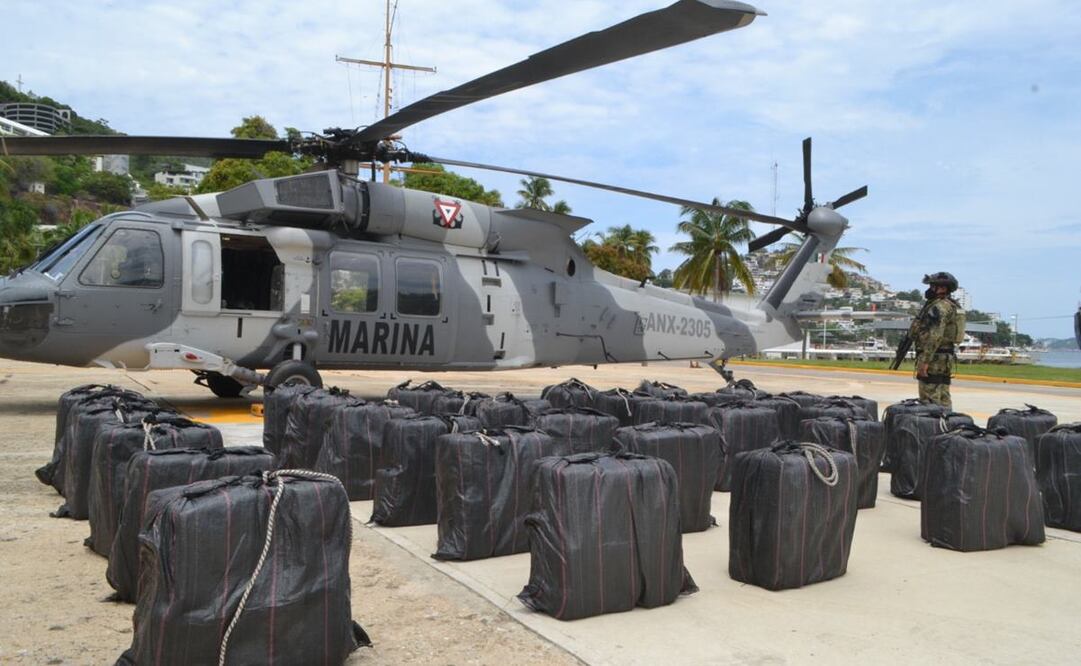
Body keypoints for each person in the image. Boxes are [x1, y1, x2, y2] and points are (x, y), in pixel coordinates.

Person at [910, 272, 966, 409]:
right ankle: (947, 425)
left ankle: (934, 428)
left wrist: (925, 361)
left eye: (932, 286)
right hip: (945, 357)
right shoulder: (952, 305)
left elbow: (935, 335)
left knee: (929, 399)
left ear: (942, 288)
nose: (929, 289)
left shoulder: (939, 307)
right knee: (943, 396)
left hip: (934, 358)